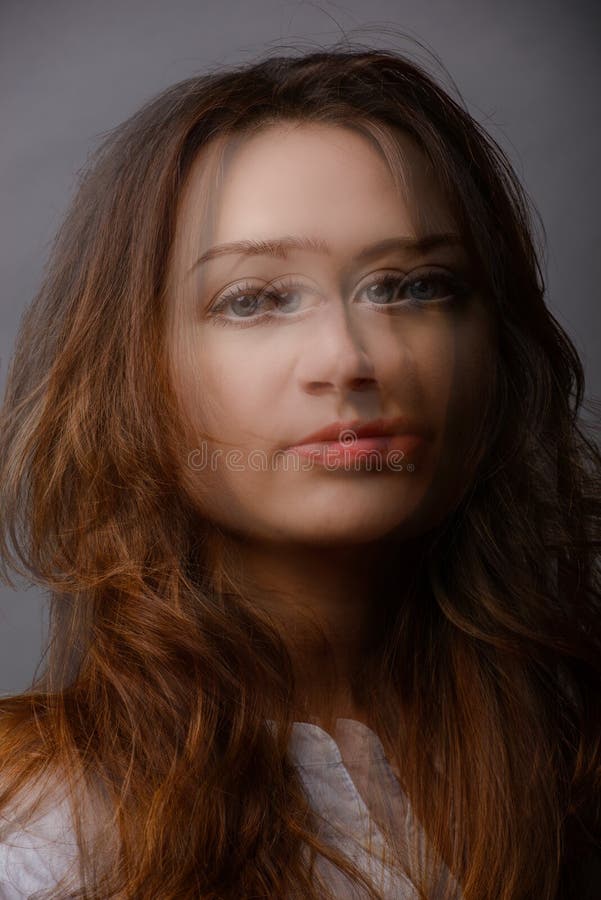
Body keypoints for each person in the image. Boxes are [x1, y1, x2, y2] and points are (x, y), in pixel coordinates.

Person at [0, 42, 599, 900]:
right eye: (254, 298)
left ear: (495, 345)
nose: (351, 359)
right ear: (132, 369)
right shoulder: (34, 830)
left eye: (413, 286)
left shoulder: (570, 757)